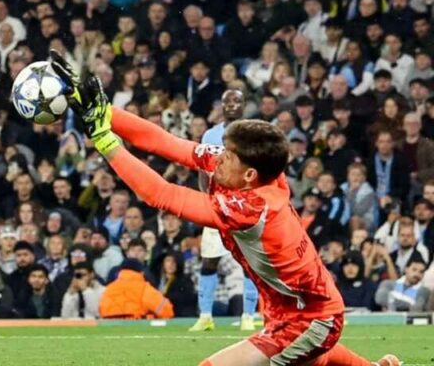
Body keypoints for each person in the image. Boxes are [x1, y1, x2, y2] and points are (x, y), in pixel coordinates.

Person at [49, 50, 400, 365]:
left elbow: (161, 195)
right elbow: (164, 141)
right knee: (310, 357)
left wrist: (105, 141)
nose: (218, 157)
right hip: (295, 312)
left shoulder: (252, 206)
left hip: (310, 317)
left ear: (248, 173)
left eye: (227, 155)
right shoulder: (248, 172)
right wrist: (103, 110)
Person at [191, 89, 259, 332]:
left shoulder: (254, 133)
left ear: (244, 105)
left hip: (245, 207)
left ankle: (248, 316)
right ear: (221, 105)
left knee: (250, 261)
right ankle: (205, 316)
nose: (231, 105)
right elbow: (202, 169)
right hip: (217, 206)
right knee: (210, 261)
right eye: (227, 101)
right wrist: (206, 199)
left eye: (237, 101)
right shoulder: (210, 135)